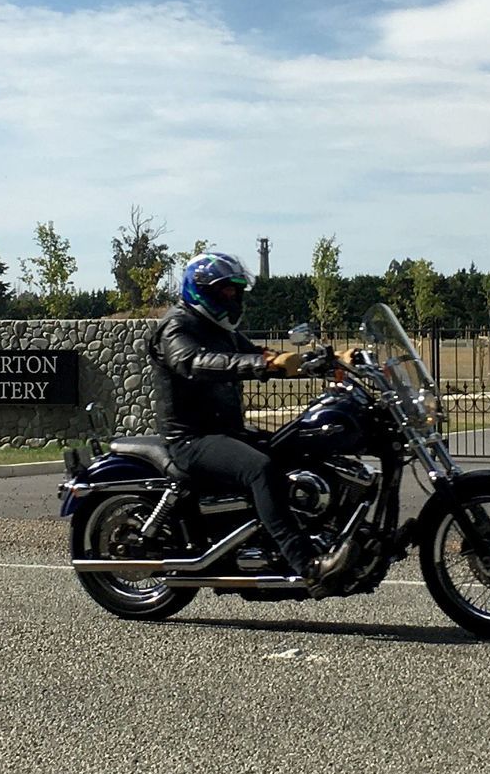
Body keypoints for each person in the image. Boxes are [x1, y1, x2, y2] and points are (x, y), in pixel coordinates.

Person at [147, 251, 352, 590]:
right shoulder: (177, 325)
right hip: (192, 439)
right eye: (227, 291)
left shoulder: (221, 329)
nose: (234, 298)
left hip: (226, 431)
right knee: (260, 468)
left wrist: (331, 360)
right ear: (202, 290)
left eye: (237, 291)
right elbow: (195, 361)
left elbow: (262, 355)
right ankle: (308, 565)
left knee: (295, 447)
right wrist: (263, 365)